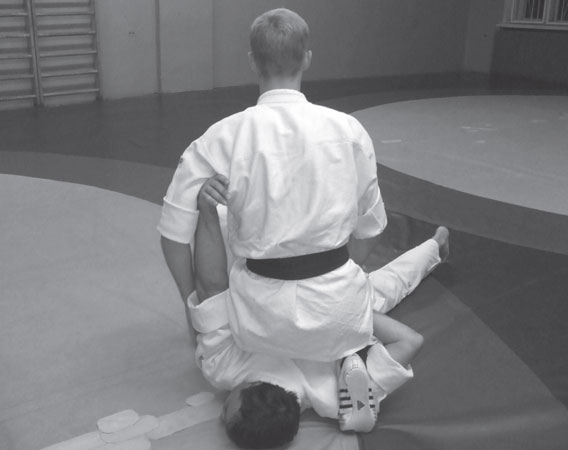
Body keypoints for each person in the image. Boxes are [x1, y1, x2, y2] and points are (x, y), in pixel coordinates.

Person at [159, 7, 418, 365]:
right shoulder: (349, 131)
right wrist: (334, 272)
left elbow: (173, 236)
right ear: (307, 59)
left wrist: (194, 308)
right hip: (340, 315)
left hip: (258, 326)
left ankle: (431, 250)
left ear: (253, 61)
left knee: (214, 212)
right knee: (384, 285)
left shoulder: (220, 138)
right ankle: (431, 251)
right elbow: (372, 226)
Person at [188, 176, 449, 448]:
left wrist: (351, 316)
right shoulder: (223, 367)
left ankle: (433, 245)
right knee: (236, 218)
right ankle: (364, 201)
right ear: (248, 389)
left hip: (329, 294)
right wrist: (207, 208)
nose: (220, 414)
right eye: (227, 411)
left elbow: (410, 341)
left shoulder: (333, 399)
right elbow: (211, 287)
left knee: (387, 287)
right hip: (279, 271)